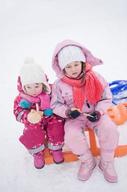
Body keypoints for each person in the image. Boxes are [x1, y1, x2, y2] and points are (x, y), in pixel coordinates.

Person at [50, 40, 119, 183]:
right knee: (72, 136)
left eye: (76, 64)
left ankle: (106, 160)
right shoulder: (59, 85)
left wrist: (99, 111)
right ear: (62, 68)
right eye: (68, 66)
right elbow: (55, 104)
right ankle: (87, 161)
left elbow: (106, 97)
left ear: (82, 63)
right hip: (75, 117)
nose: (73, 69)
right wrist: (68, 112)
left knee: (109, 128)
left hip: (95, 113)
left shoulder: (96, 77)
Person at [13, 58, 64, 169]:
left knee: (57, 125)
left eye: (37, 86)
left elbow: (59, 102)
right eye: (29, 87)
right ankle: (37, 152)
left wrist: (54, 112)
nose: (34, 90)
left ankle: (56, 148)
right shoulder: (21, 99)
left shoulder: (50, 92)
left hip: (50, 117)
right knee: (32, 130)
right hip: (34, 122)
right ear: (23, 87)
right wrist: (28, 117)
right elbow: (17, 112)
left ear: (43, 83)